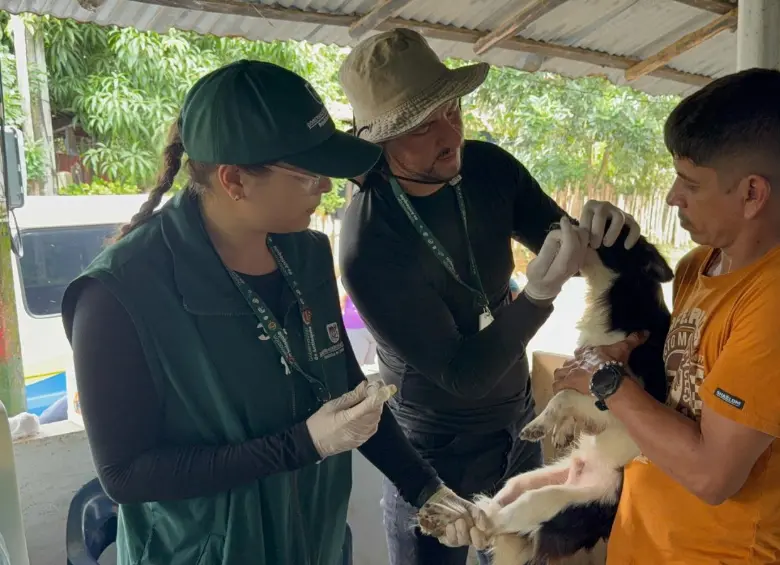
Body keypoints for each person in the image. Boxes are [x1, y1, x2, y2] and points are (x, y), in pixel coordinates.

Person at [60, 60, 485, 565]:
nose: (326, 188)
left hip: (316, 540)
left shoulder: (305, 255)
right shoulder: (117, 293)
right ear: (235, 179)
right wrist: (301, 445)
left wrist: (426, 488)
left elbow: (348, 390)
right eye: (308, 174)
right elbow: (126, 476)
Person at [336, 28, 640, 564]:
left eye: (451, 109)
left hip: (516, 423)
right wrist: (539, 294)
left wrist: (609, 235)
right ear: (378, 141)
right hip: (434, 448)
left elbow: (566, 238)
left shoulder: (485, 168)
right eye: (423, 124)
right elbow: (463, 373)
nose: (449, 132)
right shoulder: (370, 243)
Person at [551, 68, 780, 564]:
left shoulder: (772, 301)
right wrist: (626, 360)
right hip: (646, 540)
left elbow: (712, 475)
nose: (674, 196)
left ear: (752, 194)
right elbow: (685, 390)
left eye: (691, 183)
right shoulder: (700, 266)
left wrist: (607, 380)